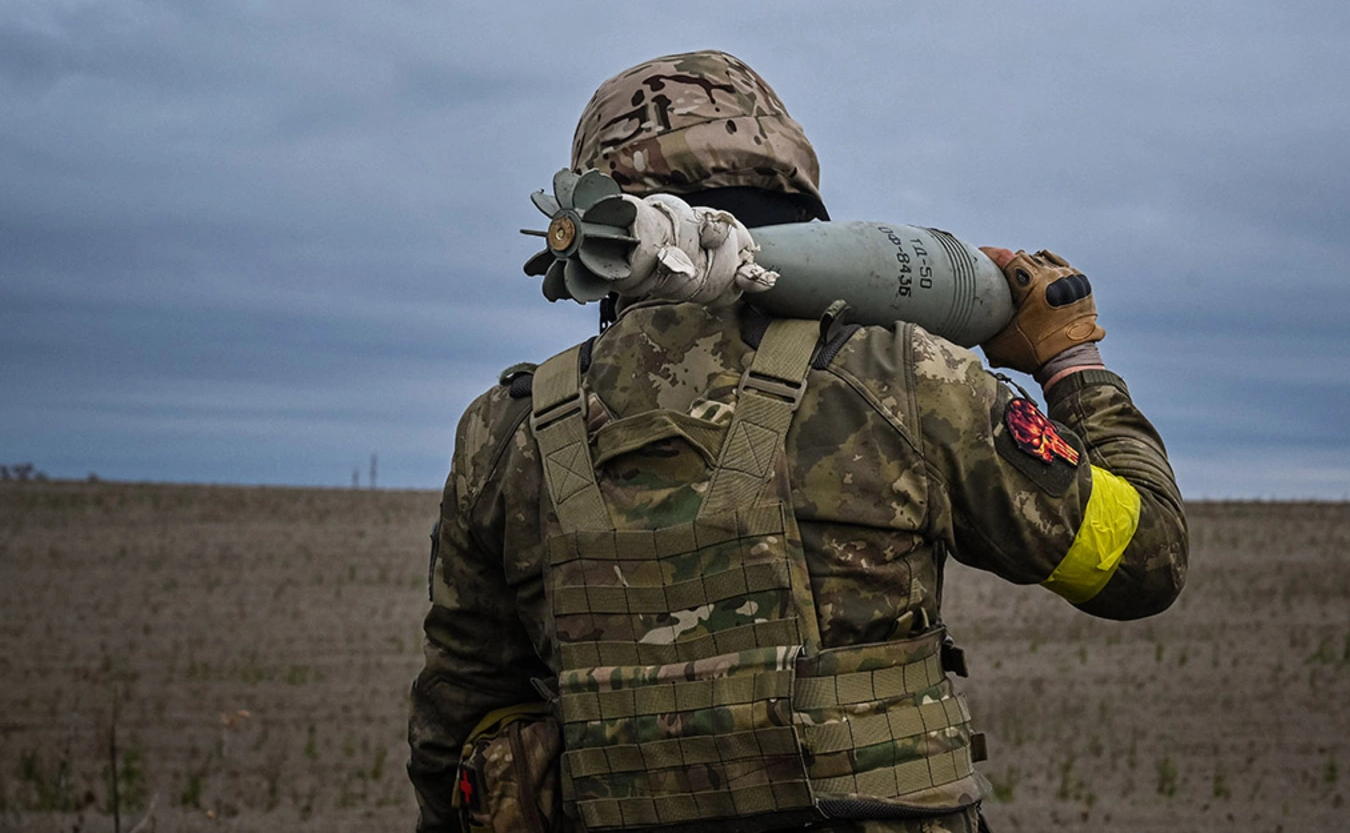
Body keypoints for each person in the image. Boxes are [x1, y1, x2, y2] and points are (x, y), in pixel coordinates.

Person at [408, 50, 1187, 833]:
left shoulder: (506, 429)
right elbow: (1141, 562)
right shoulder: (903, 379)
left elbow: (459, 725)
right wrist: (1072, 360)